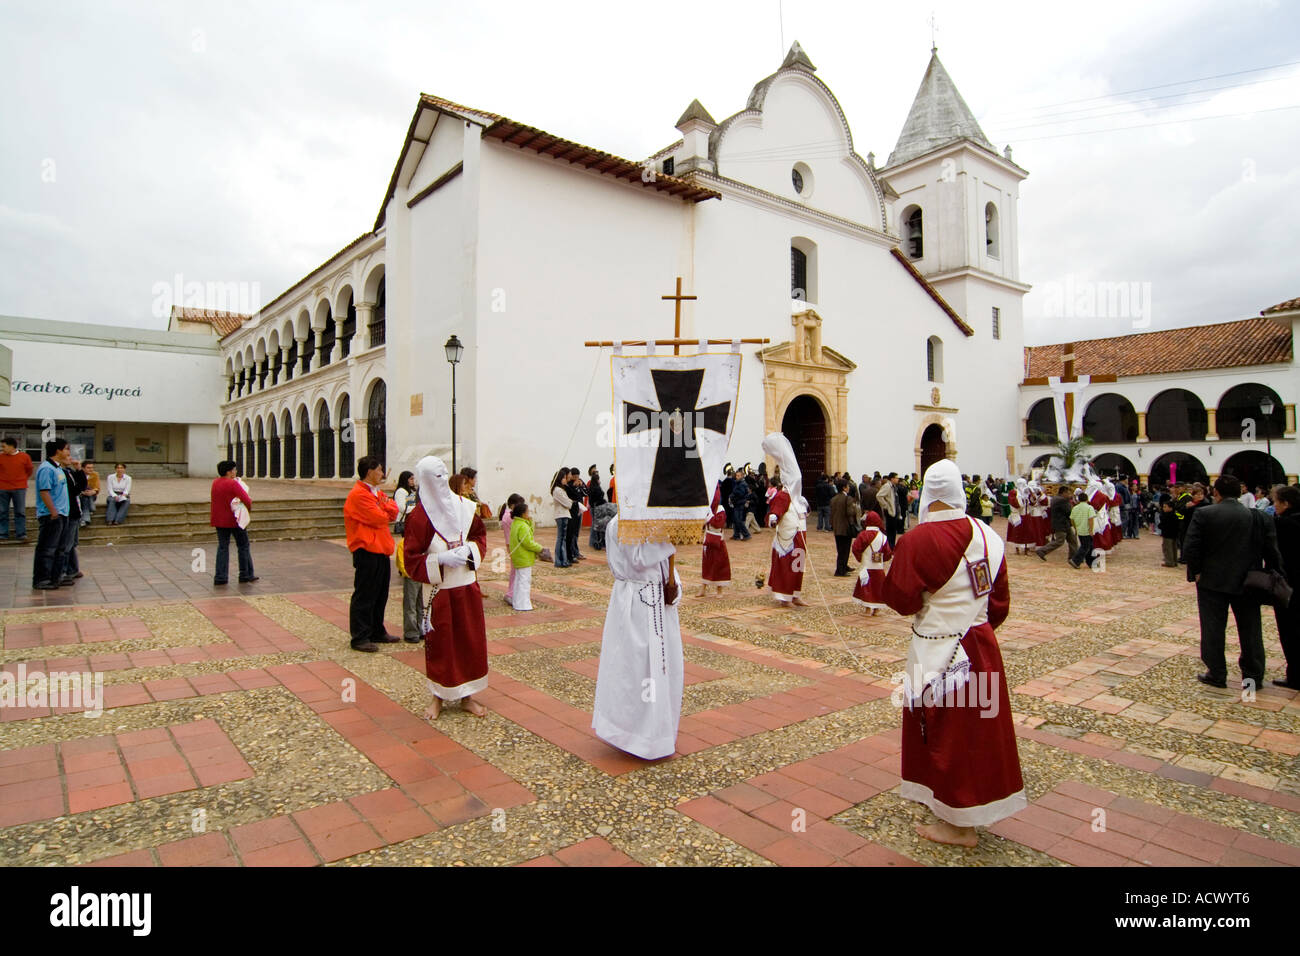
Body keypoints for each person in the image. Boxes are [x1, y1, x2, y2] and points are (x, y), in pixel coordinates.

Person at [880, 459, 1025, 847]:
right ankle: (960, 806)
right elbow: (1000, 604)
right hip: (981, 645)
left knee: (945, 731)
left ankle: (959, 824)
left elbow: (900, 599)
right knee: (978, 731)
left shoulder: (916, 540)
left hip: (937, 649)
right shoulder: (989, 536)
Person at [402, 456, 490, 718]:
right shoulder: (418, 518)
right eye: (434, 478)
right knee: (441, 643)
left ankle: (467, 696)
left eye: (443, 476)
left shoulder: (464, 507)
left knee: (469, 640)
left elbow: (479, 536)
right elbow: (411, 558)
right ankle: (438, 698)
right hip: (439, 590)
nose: (440, 483)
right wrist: (439, 559)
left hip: (465, 584)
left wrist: (470, 551)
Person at [591, 515, 683, 759]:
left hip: (658, 603)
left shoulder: (650, 525)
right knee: (637, 670)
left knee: (663, 669)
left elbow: (663, 565)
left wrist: (675, 585)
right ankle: (632, 733)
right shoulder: (621, 524)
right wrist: (669, 538)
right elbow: (639, 559)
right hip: (636, 604)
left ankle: (659, 733)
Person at [1184, 475, 1282, 691]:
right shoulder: (1258, 517)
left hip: (1212, 581)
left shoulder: (1205, 514)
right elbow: (1272, 551)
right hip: (1249, 581)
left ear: (1216, 493)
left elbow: (1191, 547)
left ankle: (1217, 672)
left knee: (1213, 628)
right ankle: (1253, 675)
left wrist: (1197, 572)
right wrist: (1273, 575)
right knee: (1250, 629)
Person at [343, 456, 399, 652]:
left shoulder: (376, 493)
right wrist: (383, 508)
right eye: (380, 470)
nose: (383, 474)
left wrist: (383, 506)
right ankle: (360, 636)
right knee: (365, 594)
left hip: (381, 549)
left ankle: (376, 629)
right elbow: (378, 518)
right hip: (366, 549)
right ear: (370, 471)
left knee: (380, 593)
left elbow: (393, 510)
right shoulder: (359, 494)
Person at [763, 434, 810, 608]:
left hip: (800, 536)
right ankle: (784, 597)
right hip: (788, 539)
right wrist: (774, 517)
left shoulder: (798, 498)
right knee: (787, 566)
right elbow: (775, 511)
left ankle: (796, 594)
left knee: (799, 566)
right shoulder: (784, 495)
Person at [1271, 484, 1300, 689]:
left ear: (1286, 503)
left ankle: (1295, 675)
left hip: (1289, 586)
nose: (1274, 506)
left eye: (1276, 502)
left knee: (1291, 631)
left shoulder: (1284, 525)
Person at [209, 460, 256, 586]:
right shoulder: (232, 484)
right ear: (229, 472)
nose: (235, 472)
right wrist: (248, 510)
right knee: (243, 546)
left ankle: (220, 577)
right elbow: (247, 500)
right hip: (235, 520)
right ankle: (245, 574)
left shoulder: (215, 483)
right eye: (234, 470)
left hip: (219, 520)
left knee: (223, 547)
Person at [32, 439, 71, 590]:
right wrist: (53, 511)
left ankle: (56, 576)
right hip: (51, 515)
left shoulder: (58, 468)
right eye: (66, 449)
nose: (68, 452)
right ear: (58, 451)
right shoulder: (46, 468)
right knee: (47, 549)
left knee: (60, 548)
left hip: (63, 514)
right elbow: (44, 491)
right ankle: (42, 579)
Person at [394, 470, 423, 642]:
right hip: (412, 556)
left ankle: (420, 627)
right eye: (411, 478)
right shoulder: (402, 493)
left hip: (420, 557)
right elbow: (400, 508)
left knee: (420, 599)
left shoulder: (414, 495)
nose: (413, 481)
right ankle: (411, 631)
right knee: (411, 599)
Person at [851, 511, 891, 614]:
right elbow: (887, 553)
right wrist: (883, 559)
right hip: (878, 566)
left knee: (865, 586)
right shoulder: (883, 536)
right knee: (878, 587)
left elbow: (856, 548)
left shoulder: (863, 535)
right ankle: (876, 609)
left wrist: (860, 558)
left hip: (866, 565)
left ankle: (867, 608)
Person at [507, 501, 544, 611]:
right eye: (527, 512)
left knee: (519, 580)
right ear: (523, 514)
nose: (529, 513)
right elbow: (527, 542)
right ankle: (523, 604)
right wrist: (539, 548)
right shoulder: (522, 526)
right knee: (524, 581)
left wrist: (530, 522)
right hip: (524, 557)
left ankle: (517, 602)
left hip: (518, 556)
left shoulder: (516, 523)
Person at [0, 436, 34, 542]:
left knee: (20, 511)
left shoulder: (24, 457)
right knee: (2, 512)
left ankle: (21, 534)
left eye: (4, 446)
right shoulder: (1, 457)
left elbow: (29, 470)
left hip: (19, 488)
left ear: (11, 446)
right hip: (2, 488)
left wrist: (22, 479)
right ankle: (2, 534)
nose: (2, 448)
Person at [1035, 487, 1078, 562]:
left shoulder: (1055, 499)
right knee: (1060, 541)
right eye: (1068, 493)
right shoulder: (1062, 500)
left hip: (1062, 523)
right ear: (1063, 493)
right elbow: (1069, 512)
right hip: (1061, 524)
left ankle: (1073, 557)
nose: (1069, 495)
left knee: (1073, 540)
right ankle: (1042, 550)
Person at [830, 479, 857, 576]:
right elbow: (850, 513)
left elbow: (832, 514)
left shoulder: (834, 499)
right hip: (845, 527)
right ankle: (840, 570)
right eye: (847, 486)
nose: (849, 488)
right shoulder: (848, 499)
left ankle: (844, 566)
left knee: (840, 549)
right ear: (844, 488)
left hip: (837, 527)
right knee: (845, 549)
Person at [1069, 490, 1097, 570]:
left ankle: (1091, 562)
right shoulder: (1089, 507)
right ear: (1087, 499)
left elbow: (1072, 519)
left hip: (1080, 529)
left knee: (1089, 546)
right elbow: (1091, 519)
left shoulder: (1075, 508)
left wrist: (1075, 528)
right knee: (1085, 547)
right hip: (1087, 530)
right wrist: (1091, 530)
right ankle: (1075, 560)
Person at [550, 469, 573, 567]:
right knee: (561, 538)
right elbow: (568, 503)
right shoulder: (558, 490)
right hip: (561, 515)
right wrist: (570, 502)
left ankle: (562, 560)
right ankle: (560, 561)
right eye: (564, 478)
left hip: (563, 514)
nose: (565, 479)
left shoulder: (561, 489)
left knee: (562, 538)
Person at [566, 467, 587, 563]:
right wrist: (575, 486)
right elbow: (570, 494)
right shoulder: (569, 484)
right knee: (572, 533)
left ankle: (576, 551)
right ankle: (573, 552)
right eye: (574, 476)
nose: (576, 478)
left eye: (577, 476)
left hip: (580, 510)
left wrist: (581, 486)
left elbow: (586, 493)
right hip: (572, 511)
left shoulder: (580, 482)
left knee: (577, 532)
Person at [1157, 492, 1179, 567]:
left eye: (1165, 507)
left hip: (1167, 534)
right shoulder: (1175, 515)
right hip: (1174, 534)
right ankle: (1174, 561)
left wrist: (1160, 526)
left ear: (1170, 508)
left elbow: (1163, 524)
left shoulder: (1166, 516)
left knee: (1167, 548)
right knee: (1173, 548)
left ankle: (1169, 561)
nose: (1164, 508)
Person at [729, 470, 752, 540]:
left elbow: (740, 493)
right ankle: (736, 535)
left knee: (738, 520)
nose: (737, 477)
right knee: (735, 519)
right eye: (736, 475)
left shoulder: (742, 484)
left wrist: (732, 495)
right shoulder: (738, 483)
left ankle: (746, 534)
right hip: (737, 503)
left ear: (742, 476)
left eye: (738, 475)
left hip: (740, 504)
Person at [79, 460, 100, 527]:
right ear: (83, 468)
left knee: (87, 497)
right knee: (85, 499)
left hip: (92, 495)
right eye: (88, 468)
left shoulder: (95, 474)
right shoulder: (79, 475)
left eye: (92, 467)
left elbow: (97, 487)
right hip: (81, 495)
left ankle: (84, 520)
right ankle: (91, 508)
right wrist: (83, 492)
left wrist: (92, 492)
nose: (91, 469)